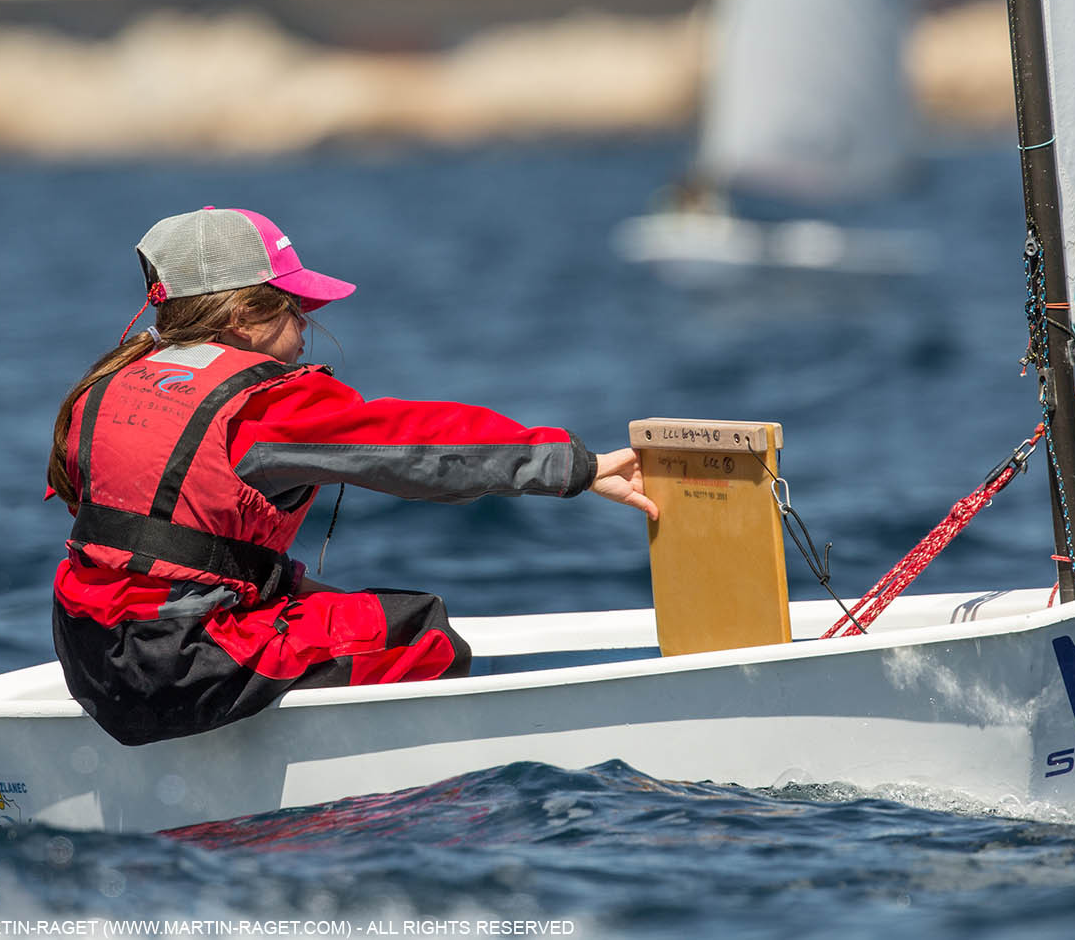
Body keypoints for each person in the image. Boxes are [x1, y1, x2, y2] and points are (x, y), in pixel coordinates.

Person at [46, 206, 656, 746]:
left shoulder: (103, 387)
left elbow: (155, 541)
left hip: (91, 652)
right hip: (178, 667)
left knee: (313, 598)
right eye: (296, 306)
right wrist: (578, 467)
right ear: (246, 317)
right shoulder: (264, 405)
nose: (307, 324)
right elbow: (417, 446)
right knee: (418, 630)